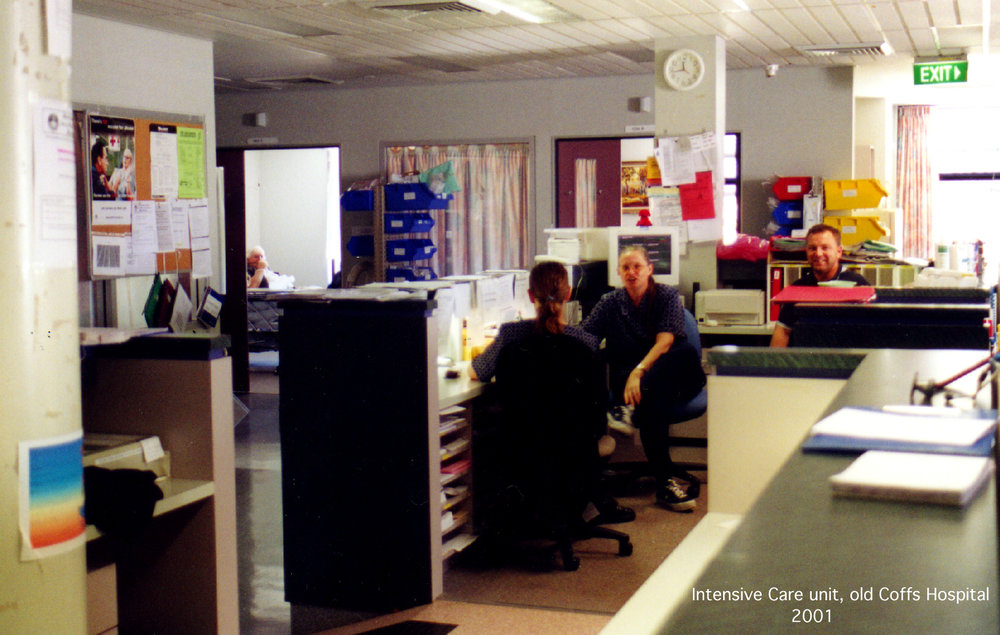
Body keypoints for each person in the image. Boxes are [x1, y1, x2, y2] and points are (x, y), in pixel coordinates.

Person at [471, 260, 634, 526]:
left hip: (522, 442)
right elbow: (597, 409)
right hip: (575, 446)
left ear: (529, 295)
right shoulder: (585, 343)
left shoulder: (511, 335)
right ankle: (589, 504)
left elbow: (477, 371)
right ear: (569, 294)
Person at [582, 245, 706, 512]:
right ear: (618, 272)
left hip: (671, 377)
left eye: (637, 266)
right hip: (636, 384)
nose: (631, 272)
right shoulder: (610, 303)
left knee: (681, 351)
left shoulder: (666, 296)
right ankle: (665, 484)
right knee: (653, 404)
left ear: (649, 269)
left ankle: (625, 411)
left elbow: (665, 342)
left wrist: (639, 372)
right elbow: (586, 337)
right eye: (625, 267)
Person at [769, 223, 870, 348]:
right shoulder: (798, 288)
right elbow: (783, 332)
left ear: (839, 251)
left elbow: (869, 335)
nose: (818, 253)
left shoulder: (858, 286)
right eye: (812, 248)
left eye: (825, 248)